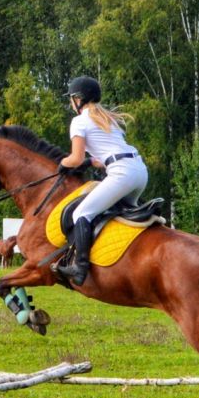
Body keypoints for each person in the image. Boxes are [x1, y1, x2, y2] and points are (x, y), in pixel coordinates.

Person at [54, 76, 148, 285]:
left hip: (122, 173)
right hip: (139, 171)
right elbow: (102, 156)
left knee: (82, 213)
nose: (71, 103)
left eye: (71, 98)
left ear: (78, 99)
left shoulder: (79, 121)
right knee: (119, 213)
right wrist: (90, 162)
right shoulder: (107, 119)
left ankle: (80, 268)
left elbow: (75, 158)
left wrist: (63, 164)